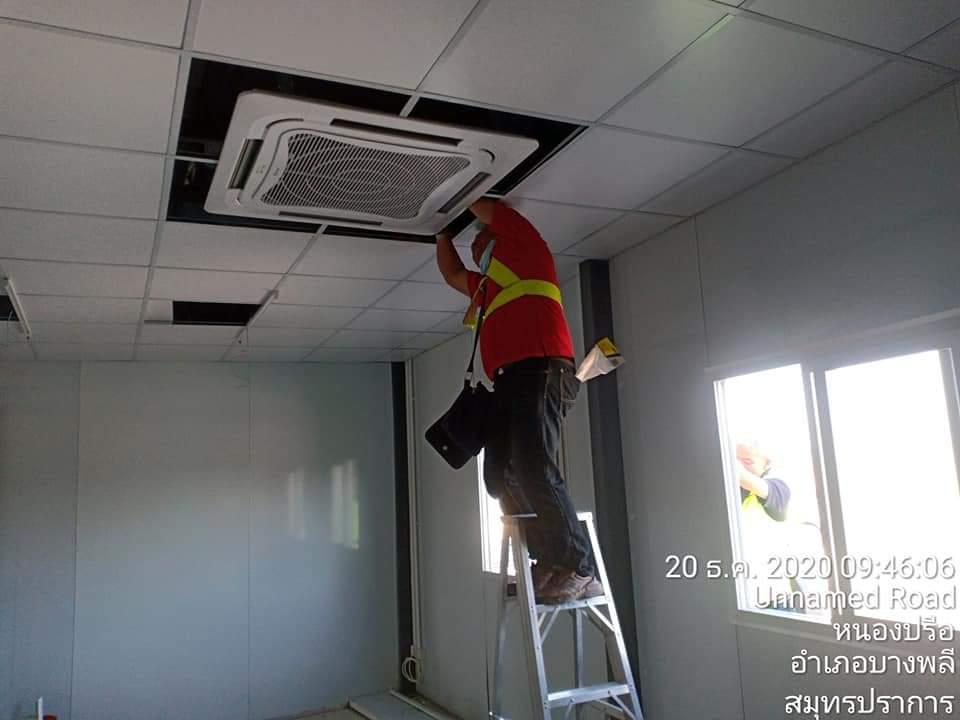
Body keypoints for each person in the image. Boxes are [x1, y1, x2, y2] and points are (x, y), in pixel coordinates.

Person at [435, 198, 600, 603]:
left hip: (542, 370)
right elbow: (452, 273)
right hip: (509, 381)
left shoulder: (528, 251)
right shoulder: (486, 288)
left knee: (533, 467)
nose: (475, 246)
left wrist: (454, 187)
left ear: (500, 237)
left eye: (480, 239)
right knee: (499, 476)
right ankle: (548, 560)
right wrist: (440, 234)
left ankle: (580, 567)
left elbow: (488, 207)